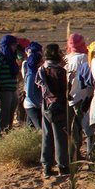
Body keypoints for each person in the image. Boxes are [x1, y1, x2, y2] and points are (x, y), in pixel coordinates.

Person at [36, 43, 69, 177]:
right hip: (58, 105)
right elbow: (63, 90)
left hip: (45, 104)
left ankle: (46, 166)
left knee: (47, 134)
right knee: (60, 136)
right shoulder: (60, 71)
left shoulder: (42, 69)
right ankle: (62, 166)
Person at [65, 33, 93, 161]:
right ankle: (88, 153)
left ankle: (73, 153)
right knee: (85, 127)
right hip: (81, 96)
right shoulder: (83, 58)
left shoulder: (66, 58)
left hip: (68, 97)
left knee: (72, 127)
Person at [0, 34, 20, 138]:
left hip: (12, 91)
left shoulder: (11, 59)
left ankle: (7, 139)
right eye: (13, 45)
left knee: (10, 120)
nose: (15, 47)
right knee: (2, 118)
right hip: (4, 92)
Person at [21, 41, 43, 129]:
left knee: (30, 129)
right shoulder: (32, 75)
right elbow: (30, 93)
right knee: (40, 128)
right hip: (32, 105)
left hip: (32, 103)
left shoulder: (34, 72)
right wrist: (38, 105)